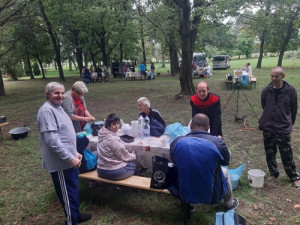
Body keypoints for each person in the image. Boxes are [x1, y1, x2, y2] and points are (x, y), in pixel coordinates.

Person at [37, 82, 92, 224]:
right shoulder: (47, 111)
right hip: (61, 163)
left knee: (73, 189)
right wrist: (69, 157)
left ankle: (75, 215)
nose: (60, 96)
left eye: (62, 93)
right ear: (47, 94)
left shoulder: (58, 108)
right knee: (67, 193)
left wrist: (74, 152)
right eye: (56, 93)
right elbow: (52, 140)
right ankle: (71, 221)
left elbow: (65, 134)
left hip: (70, 158)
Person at [169, 113, 238, 211]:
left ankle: (188, 206)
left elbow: (173, 161)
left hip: (184, 189)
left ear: (191, 126)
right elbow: (226, 161)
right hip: (211, 192)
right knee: (225, 171)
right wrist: (220, 143)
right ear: (208, 128)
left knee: (182, 171)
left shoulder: (177, 142)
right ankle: (229, 203)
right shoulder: (217, 143)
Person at [259, 67, 300, 188]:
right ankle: (273, 172)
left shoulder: (290, 90)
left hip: (283, 127)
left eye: (276, 76)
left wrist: (288, 122)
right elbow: (264, 105)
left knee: (287, 153)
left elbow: (293, 108)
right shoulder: (266, 90)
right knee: (270, 152)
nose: (273, 78)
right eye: (272, 76)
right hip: (268, 127)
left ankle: (294, 177)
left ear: (283, 76)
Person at [97, 113, 137, 180]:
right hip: (113, 172)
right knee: (133, 165)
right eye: (114, 124)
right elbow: (123, 155)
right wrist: (133, 156)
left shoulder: (101, 134)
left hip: (100, 170)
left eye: (118, 124)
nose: (117, 126)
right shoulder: (112, 139)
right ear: (108, 125)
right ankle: (121, 186)